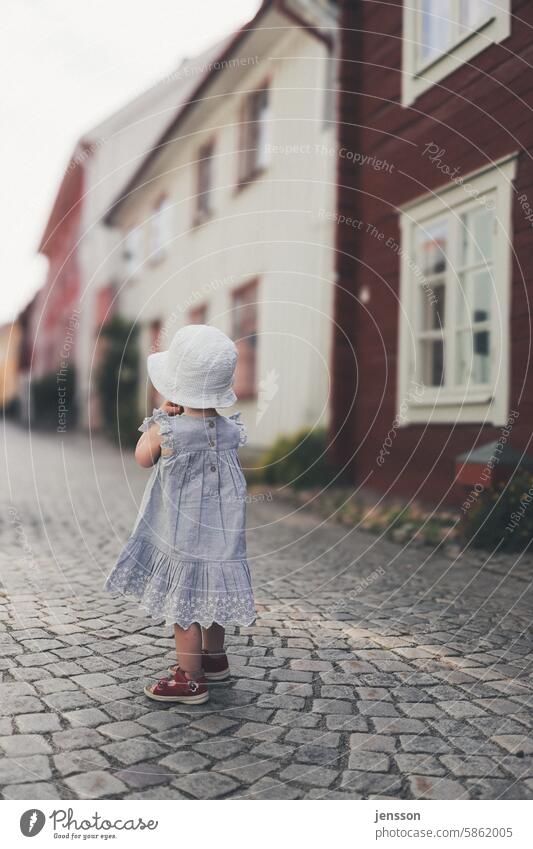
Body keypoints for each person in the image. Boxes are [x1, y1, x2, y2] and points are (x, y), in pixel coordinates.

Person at [104, 324, 255, 704]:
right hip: (221, 540)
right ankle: (215, 660)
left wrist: (158, 421)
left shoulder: (168, 430)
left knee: (185, 607)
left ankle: (190, 678)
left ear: (179, 385)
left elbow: (142, 458)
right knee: (213, 599)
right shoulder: (230, 430)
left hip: (182, 538)